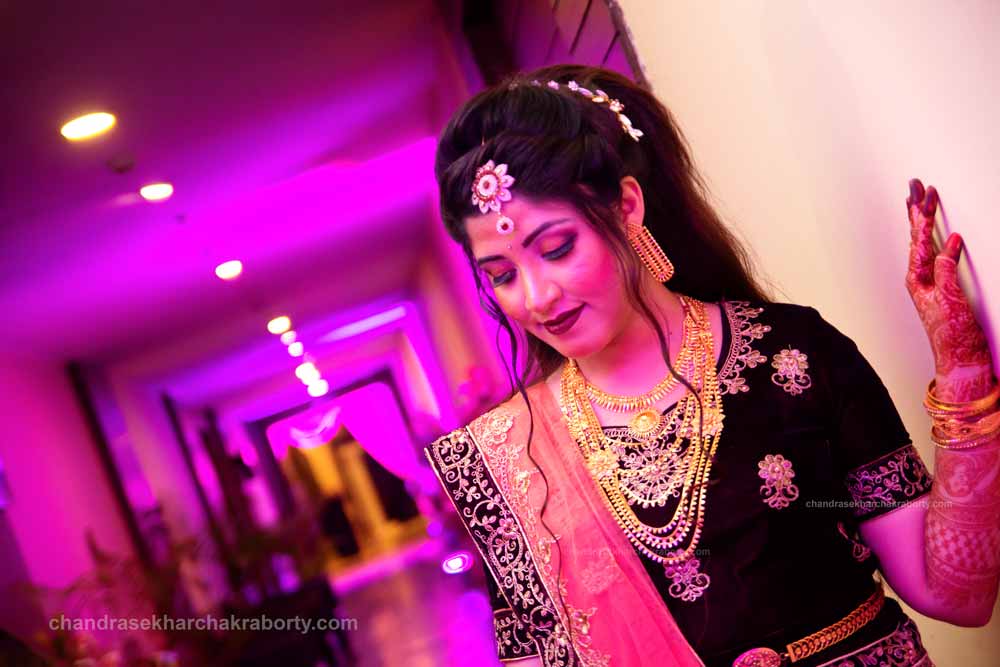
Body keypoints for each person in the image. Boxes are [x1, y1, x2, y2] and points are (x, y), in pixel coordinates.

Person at [425, 64, 999, 667]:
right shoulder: (511, 465)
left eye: (557, 248)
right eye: (503, 275)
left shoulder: (793, 355)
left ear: (625, 207)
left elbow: (956, 592)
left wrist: (961, 373)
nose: (536, 296)